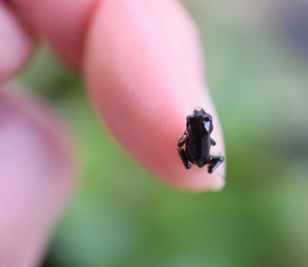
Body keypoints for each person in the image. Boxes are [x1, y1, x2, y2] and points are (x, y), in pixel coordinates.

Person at [0, 1, 226, 266]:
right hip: (197, 155)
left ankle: (207, 168)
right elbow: (191, 139)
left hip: (195, 155)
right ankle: (209, 168)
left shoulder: (193, 133)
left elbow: (190, 140)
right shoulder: (194, 132)